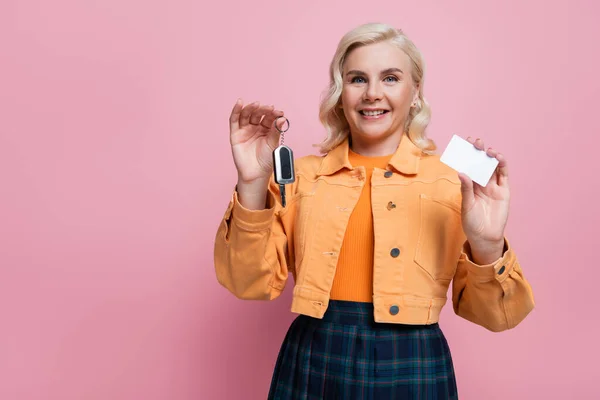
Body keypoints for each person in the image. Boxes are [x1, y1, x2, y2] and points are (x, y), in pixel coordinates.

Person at [213, 22, 535, 399]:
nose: (372, 93)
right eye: (357, 79)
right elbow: (246, 282)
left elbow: (499, 317)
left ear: (416, 93)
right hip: (315, 354)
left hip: (413, 361)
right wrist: (252, 183)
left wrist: (488, 245)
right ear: (341, 92)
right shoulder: (300, 176)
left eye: (391, 78)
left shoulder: (456, 183)